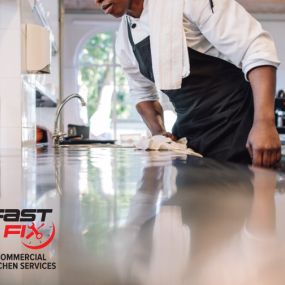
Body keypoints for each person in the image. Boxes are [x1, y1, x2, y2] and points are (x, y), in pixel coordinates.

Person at [95, 0, 281, 167]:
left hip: (237, 128)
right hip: (188, 138)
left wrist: (264, 123)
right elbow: (142, 94)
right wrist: (159, 133)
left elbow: (256, 48)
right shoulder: (124, 39)